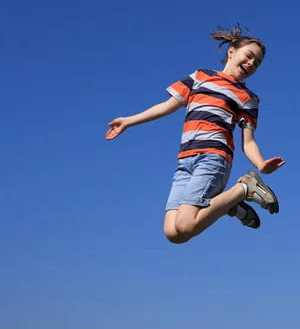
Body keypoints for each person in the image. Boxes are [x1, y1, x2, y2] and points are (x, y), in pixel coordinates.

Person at [106, 25, 285, 244]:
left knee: (186, 224)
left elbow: (248, 141)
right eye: (249, 56)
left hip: (214, 158)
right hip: (185, 161)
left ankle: (245, 187)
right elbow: (167, 106)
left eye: (256, 63)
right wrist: (129, 121)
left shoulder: (248, 98)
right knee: (173, 233)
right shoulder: (200, 77)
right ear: (231, 51)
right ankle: (228, 204)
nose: (250, 64)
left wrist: (260, 164)